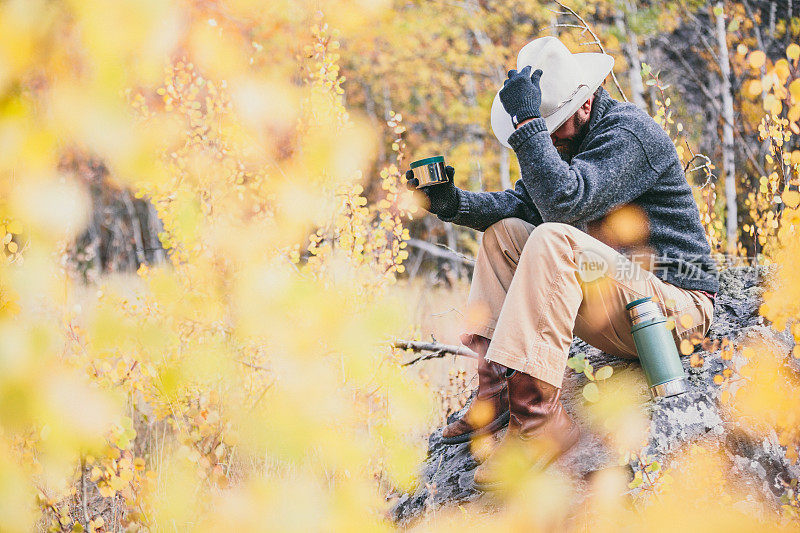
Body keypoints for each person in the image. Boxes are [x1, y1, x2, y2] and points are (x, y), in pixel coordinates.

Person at [405, 37, 718, 491]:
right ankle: (496, 396)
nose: (545, 141)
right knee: (505, 236)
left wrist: (529, 125)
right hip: (621, 304)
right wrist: (453, 204)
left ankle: (538, 423)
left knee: (555, 238)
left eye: (552, 127)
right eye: (542, 129)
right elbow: (522, 205)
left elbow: (564, 204)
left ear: (586, 104)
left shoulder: (631, 136)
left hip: (675, 309)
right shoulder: (573, 140)